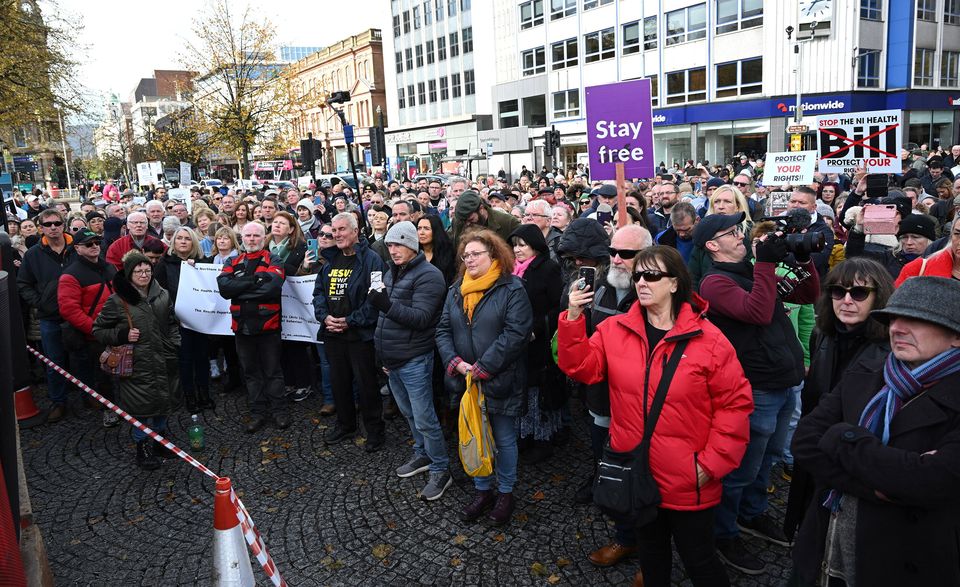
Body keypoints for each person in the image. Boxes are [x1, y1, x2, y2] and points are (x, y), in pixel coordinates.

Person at [559, 246, 752, 587]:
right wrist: (573, 319)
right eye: (638, 276)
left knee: (699, 559)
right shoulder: (615, 329)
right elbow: (581, 368)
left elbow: (734, 406)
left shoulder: (709, 339)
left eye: (652, 275)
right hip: (637, 470)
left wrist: (709, 465)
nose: (642, 283)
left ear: (676, 283)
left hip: (689, 475)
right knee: (651, 555)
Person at [791, 276, 960, 586]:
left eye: (916, 320)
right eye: (894, 317)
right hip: (825, 544)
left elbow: (932, 482)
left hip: (902, 559)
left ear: (956, 337)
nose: (897, 327)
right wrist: (878, 486)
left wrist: (842, 436)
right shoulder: (868, 372)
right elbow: (804, 443)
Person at [694, 212, 820, 575]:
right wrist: (765, 265)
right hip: (756, 387)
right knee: (741, 468)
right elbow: (759, 312)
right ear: (712, 245)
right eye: (732, 232)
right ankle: (724, 532)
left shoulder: (753, 271)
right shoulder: (714, 283)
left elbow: (810, 294)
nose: (740, 235)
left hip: (784, 379)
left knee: (769, 457)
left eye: (739, 229)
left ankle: (752, 513)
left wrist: (802, 259)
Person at [782, 257, 893, 544]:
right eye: (838, 291)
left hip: (852, 461)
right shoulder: (823, 334)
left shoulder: (891, 351)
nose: (846, 300)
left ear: (878, 296)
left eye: (858, 293)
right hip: (816, 450)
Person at [436, 229, 533, 527]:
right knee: (473, 436)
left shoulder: (512, 288)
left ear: (493, 255)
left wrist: (482, 367)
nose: (470, 259)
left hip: (499, 379)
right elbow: (442, 330)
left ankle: (505, 493)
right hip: (466, 381)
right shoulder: (456, 290)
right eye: (466, 255)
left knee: (503, 439)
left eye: (476, 253)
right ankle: (482, 490)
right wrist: (455, 362)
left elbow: (515, 334)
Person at [367, 221, 451, 500]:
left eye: (399, 244)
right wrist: (383, 353)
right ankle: (422, 454)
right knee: (409, 414)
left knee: (425, 417)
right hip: (393, 358)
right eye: (390, 244)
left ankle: (441, 468)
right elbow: (384, 320)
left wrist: (386, 305)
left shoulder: (430, 275)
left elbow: (421, 318)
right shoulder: (392, 272)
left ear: (413, 245)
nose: (393, 250)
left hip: (414, 357)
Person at [92, 251, 180, 470]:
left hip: (163, 358)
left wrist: (174, 343)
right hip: (137, 365)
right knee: (141, 409)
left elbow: (171, 322)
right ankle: (142, 448)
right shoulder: (117, 301)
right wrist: (122, 335)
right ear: (129, 274)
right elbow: (98, 329)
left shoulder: (162, 294)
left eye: (147, 270)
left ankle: (160, 441)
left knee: (162, 403)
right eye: (139, 271)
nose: (144, 274)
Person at [313, 212, 388, 451]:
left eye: (342, 229)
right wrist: (324, 317)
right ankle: (346, 425)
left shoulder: (373, 260)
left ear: (355, 231)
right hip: (333, 334)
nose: (337, 235)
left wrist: (350, 320)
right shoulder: (329, 261)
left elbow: (376, 298)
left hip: (360, 336)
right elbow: (318, 294)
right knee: (340, 383)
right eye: (334, 231)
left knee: (367, 386)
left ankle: (375, 431)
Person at [217, 222, 289, 432]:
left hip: (268, 326)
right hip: (242, 327)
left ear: (263, 237)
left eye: (256, 236)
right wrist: (254, 281)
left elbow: (272, 287)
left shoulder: (274, 259)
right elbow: (224, 288)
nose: (251, 239)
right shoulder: (233, 260)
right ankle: (257, 412)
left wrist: (240, 288)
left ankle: (279, 411)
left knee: (273, 371)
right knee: (250, 372)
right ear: (242, 238)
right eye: (247, 235)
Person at [509, 224, 563, 464]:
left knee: (538, 392)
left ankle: (543, 439)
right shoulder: (512, 269)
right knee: (522, 389)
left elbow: (557, 306)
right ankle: (524, 434)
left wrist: (537, 327)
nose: (517, 250)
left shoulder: (548, 268)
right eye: (514, 245)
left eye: (522, 245)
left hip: (538, 341)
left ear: (535, 246)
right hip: (517, 339)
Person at [16, 209, 77, 422]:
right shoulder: (33, 254)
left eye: (57, 223)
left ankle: (91, 397)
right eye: (48, 224)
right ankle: (58, 401)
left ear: (63, 225)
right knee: (54, 362)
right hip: (50, 317)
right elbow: (23, 284)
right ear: (41, 227)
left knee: (83, 357)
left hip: (77, 315)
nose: (53, 227)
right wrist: (41, 303)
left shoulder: (77, 248)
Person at [57, 228, 118, 427]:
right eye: (88, 244)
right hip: (94, 336)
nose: (94, 247)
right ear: (77, 248)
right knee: (102, 377)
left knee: (122, 371)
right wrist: (96, 330)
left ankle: (125, 406)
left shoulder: (109, 267)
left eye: (96, 243)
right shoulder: (70, 275)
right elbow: (69, 310)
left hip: (117, 330)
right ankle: (108, 410)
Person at [155, 227, 212, 413]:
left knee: (203, 357)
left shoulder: (203, 262)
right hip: (177, 320)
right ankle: (189, 395)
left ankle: (204, 392)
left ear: (193, 242)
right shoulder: (164, 263)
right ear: (173, 242)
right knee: (185, 360)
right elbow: (159, 292)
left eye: (187, 238)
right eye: (179, 238)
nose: (183, 241)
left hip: (200, 319)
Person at [266, 211, 314, 402]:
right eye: (275, 222)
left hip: (294, 303)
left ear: (291, 229)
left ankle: (304, 383)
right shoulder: (264, 246)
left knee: (296, 345)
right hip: (271, 302)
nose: (277, 225)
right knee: (280, 345)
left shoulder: (300, 248)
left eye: (282, 223)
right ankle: (289, 381)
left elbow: (301, 274)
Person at [203, 227, 244, 393]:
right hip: (218, 309)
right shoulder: (211, 260)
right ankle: (233, 378)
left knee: (237, 347)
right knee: (225, 347)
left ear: (232, 241)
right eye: (219, 238)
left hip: (234, 308)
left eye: (226, 238)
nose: (221, 241)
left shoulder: (240, 259)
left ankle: (242, 378)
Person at [895, 219, 960, 285]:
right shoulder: (916, 268)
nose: (909, 242)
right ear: (951, 235)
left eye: (915, 237)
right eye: (957, 233)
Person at [449, 190, 521, 244]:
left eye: (471, 219)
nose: (467, 224)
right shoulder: (458, 222)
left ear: (481, 208)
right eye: (464, 221)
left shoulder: (508, 223)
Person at [416, 215, 456, 287]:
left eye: (426, 229)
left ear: (436, 231)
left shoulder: (448, 253)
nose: (421, 232)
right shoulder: (414, 253)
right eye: (419, 228)